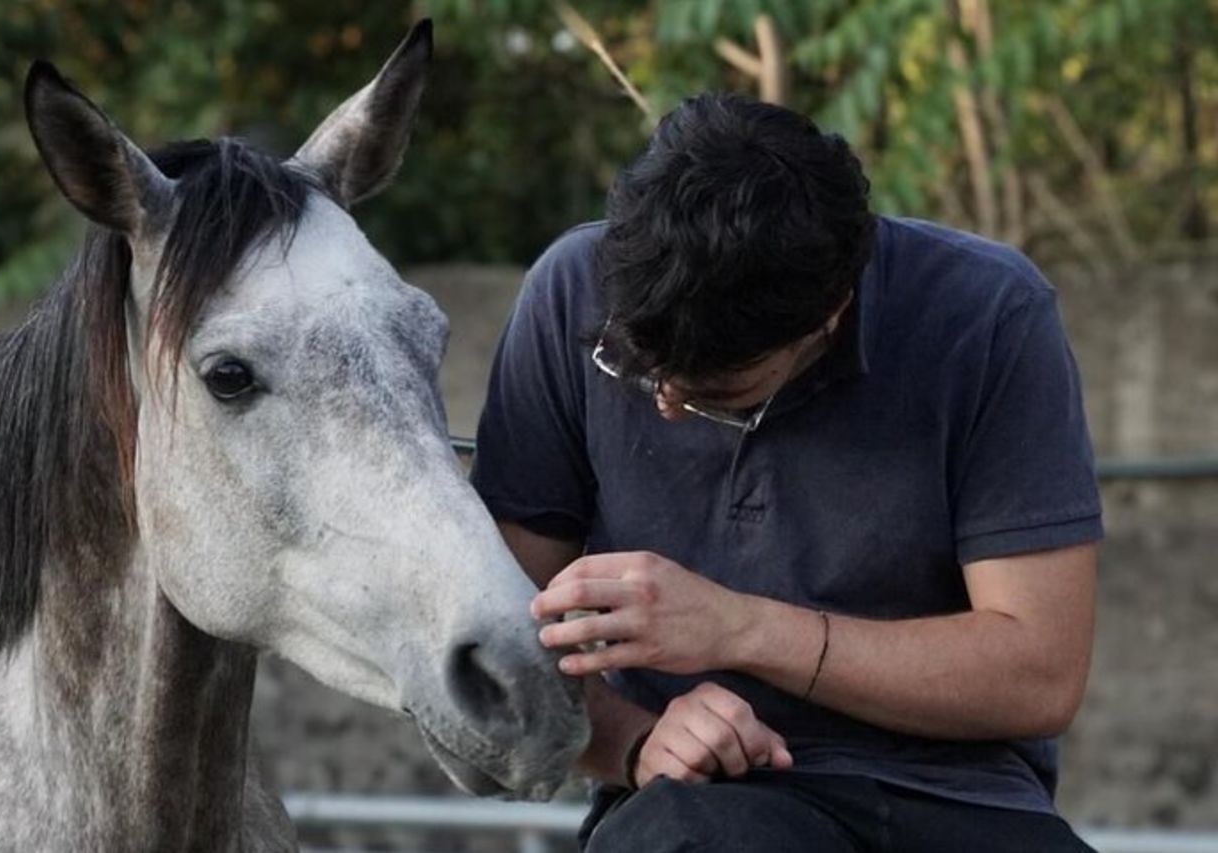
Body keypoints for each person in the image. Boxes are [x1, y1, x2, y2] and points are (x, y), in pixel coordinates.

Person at [471, 93, 1100, 851]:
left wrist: (741, 627)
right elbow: (497, 641)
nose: (666, 405)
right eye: (640, 369)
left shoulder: (990, 313)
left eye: (720, 395)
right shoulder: (571, 289)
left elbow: (1038, 677)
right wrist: (634, 742)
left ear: (831, 313)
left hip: (960, 802)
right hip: (705, 809)